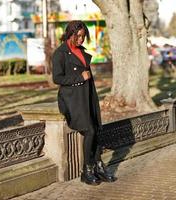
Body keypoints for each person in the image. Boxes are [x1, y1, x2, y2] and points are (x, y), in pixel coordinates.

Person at [52, 20, 116, 185]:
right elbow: (57, 78)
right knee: (90, 131)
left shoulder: (80, 51)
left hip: (87, 96)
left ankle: (98, 166)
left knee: (96, 129)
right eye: (78, 36)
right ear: (70, 34)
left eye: (83, 36)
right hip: (72, 99)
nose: (81, 39)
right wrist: (79, 78)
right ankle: (87, 170)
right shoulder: (60, 53)